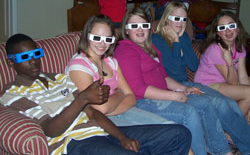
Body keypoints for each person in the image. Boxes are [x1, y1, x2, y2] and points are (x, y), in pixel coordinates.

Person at [0, 33, 192, 155]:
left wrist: (121, 137)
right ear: (10, 63)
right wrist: (83, 98)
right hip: (73, 144)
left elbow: (92, 112)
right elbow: (50, 129)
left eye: (36, 54)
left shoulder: (59, 78)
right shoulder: (13, 93)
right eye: (24, 57)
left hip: (101, 132)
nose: (33, 61)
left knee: (179, 134)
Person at [114, 7, 250, 155]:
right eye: (134, 26)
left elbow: (167, 76)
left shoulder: (150, 48)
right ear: (126, 30)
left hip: (168, 89)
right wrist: (174, 95)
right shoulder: (127, 49)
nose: (140, 29)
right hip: (145, 100)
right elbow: (138, 88)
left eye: (144, 25)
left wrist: (183, 89)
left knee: (215, 102)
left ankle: (230, 149)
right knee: (190, 112)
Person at [152, 1, 250, 154]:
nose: (180, 23)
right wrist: (176, 42)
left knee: (226, 103)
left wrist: (182, 39)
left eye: (184, 19)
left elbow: (193, 65)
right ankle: (221, 150)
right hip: (170, 85)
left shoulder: (184, 36)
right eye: (176, 18)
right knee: (211, 102)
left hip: (187, 82)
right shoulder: (157, 39)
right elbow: (172, 69)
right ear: (166, 19)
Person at [65, 14, 172, 126]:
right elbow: (101, 108)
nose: (102, 43)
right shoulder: (79, 65)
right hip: (95, 122)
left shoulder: (111, 62)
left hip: (118, 112)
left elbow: (131, 97)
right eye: (96, 38)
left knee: (169, 125)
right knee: (161, 135)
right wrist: (120, 94)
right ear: (87, 37)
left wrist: (110, 109)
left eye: (108, 39)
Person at [194, 11, 250, 122]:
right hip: (206, 85)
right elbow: (233, 83)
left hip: (223, 82)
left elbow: (243, 76)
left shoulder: (240, 47)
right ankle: (231, 130)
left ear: (237, 29)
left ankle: (243, 117)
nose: (228, 30)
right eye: (222, 28)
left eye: (231, 26)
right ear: (218, 34)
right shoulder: (215, 50)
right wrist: (229, 61)